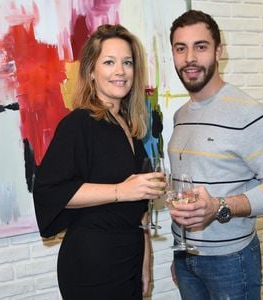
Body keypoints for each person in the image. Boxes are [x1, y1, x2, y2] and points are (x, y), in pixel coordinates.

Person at [167, 9, 263, 300]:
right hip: (187, 259)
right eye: (180, 48)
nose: (190, 58)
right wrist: (181, 255)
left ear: (218, 51)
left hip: (232, 262)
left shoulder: (251, 114)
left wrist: (221, 206)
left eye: (200, 47)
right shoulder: (180, 115)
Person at [33, 24, 166, 300]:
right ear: (91, 72)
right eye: (109, 62)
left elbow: (138, 209)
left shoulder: (130, 126)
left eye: (127, 62)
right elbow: (51, 191)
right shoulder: (78, 124)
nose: (120, 71)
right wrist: (121, 190)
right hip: (92, 264)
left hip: (129, 257)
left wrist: (145, 258)